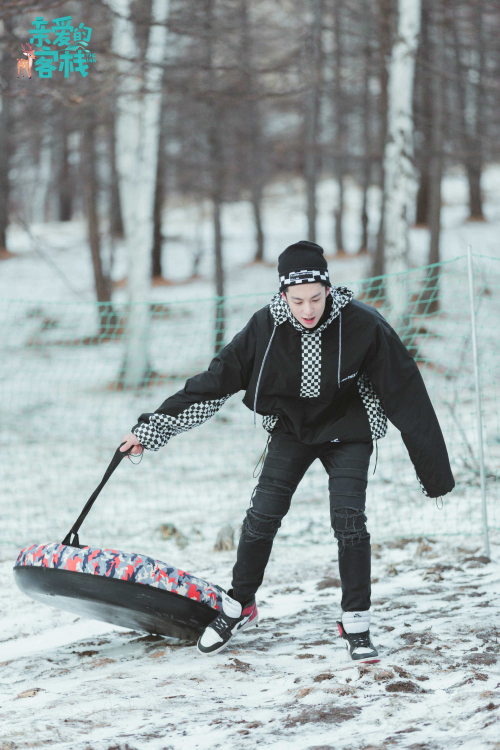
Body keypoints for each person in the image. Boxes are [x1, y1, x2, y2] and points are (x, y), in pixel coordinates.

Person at [120, 240, 455, 661]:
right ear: (283, 296)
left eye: (316, 297)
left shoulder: (363, 324)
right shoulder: (265, 326)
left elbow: (407, 395)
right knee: (262, 516)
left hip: (348, 432)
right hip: (293, 431)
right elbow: (214, 382)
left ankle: (356, 622)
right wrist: (150, 431)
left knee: (349, 520)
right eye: (297, 300)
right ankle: (239, 605)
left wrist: (435, 474)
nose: (308, 308)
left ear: (329, 289)